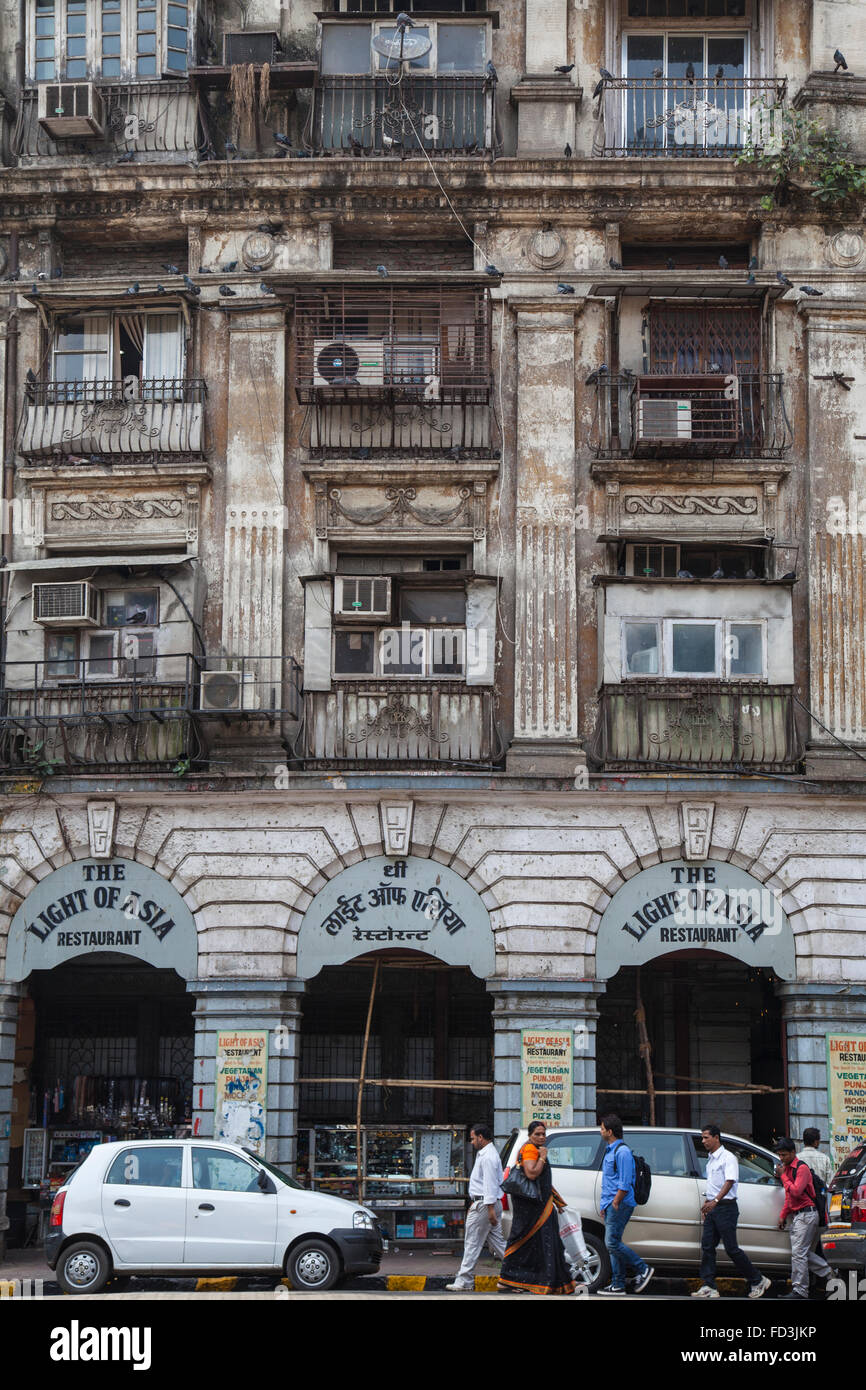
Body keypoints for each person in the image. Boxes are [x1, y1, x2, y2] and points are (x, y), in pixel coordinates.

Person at [692, 1124, 771, 1300]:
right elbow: (715, 1184)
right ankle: (709, 1285)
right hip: (714, 1207)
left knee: (731, 1248)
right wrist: (709, 1201)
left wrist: (716, 1201)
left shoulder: (728, 1158)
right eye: (702, 1137)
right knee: (707, 1246)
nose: (703, 1141)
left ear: (716, 1138)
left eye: (706, 1137)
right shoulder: (711, 1158)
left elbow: (729, 1181)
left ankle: (757, 1279)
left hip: (726, 1208)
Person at [497, 1120, 575, 1295]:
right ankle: (509, 1279)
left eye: (543, 1134)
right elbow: (532, 1173)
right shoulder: (531, 1150)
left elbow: (543, 1183)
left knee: (535, 1243)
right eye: (537, 1134)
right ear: (530, 1135)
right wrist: (542, 1157)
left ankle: (512, 1280)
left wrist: (558, 1201)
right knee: (527, 1241)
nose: (541, 1137)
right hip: (532, 1207)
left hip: (538, 1204)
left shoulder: (532, 1148)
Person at [596, 1114, 654, 1296]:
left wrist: (615, 1201)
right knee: (614, 1244)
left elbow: (625, 1181)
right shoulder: (610, 1150)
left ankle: (643, 1269)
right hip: (611, 1203)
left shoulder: (622, 1152)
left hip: (619, 1203)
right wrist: (605, 1204)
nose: (601, 1131)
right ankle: (618, 1284)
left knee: (612, 1243)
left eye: (602, 1128)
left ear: (610, 1131)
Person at [446, 1123, 506, 1291]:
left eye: (472, 1139)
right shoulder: (488, 1154)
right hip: (486, 1204)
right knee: (500, 1245)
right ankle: (521, 1272)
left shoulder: (487, 1157)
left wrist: (490, 1210)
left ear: (481, 1137)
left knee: (472, 1242)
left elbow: (489, 1184)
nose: (471, 1142)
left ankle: (464, 1280)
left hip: (485, 1205)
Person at [774, 1137, 834, 1301]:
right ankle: (831, 1274)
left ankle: (800, 1290)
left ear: (793, 1152)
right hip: (798, 1216)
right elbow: (789, 1198)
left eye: (784, 1155)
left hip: (807, 1214)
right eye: (779, 1155)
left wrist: (783, 1177)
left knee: (799, 1254)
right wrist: (782, 1215)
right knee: (802, 1253)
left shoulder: (802, 1169)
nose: (781, 1158)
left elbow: (796, 1192)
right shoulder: (786, 1169)